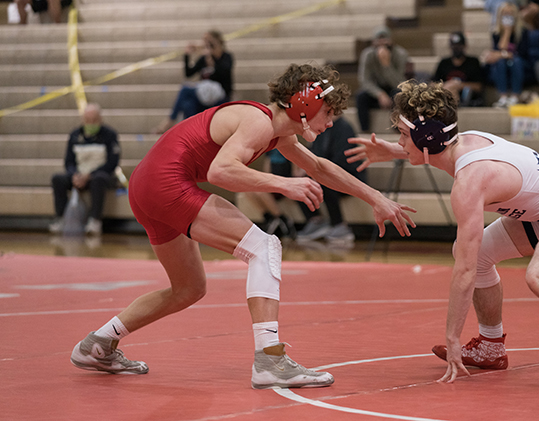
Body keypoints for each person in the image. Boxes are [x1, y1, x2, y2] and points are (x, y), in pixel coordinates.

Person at [69, 64, 416, 389]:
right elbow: (222, 171)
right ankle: (268, 359)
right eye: (329, 112)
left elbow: (320, 168)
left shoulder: (278, 132)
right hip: (166, 183)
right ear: (304, 103)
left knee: (188, 289)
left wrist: (376, 198)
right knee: (265, 247)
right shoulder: (259, 121)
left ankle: (98, 343)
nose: (331, 122)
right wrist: (283, 184)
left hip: (147, 185)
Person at [346, 80, 539, 394]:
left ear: (426, 138)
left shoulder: (471, 181)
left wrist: (453, 337)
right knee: (471, 250)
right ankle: (491, 346)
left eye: (403, 136)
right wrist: (393, 150)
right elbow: (432, 148)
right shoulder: (462, 141)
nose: (400, 142)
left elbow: (465, 272)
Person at [294, 115, 367, 245]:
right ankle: (315, 220)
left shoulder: (344, 127)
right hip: (326, 171)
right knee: (297, 182)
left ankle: (339, 225)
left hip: (349, 173)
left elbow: (342, 159)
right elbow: (313, 152)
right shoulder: (322, 128)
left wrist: (317, 171)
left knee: (326, 180)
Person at [50, 104, 120, 237]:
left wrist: (90, 175)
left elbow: (113, 162)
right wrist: (74, 175)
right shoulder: (75, 135)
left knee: (99, 179)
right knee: (57, 178)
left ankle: (95, 220)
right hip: (78, 174)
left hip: (100, 176)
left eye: (94, 120)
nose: (91, 123)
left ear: (100, 119)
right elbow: (68, 162)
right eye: (88, 120)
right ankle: (60, 218)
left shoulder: (110, 135)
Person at [154, 30, 234, 134]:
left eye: (209, 42)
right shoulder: (204, 58)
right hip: (204, 97)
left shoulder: (226, 57)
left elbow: (225, 73)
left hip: (219, 98)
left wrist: (213, 62)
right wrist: (187, 55)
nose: (206, 44)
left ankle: (170, 121)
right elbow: (189, 73)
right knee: (188, 104)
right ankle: (191, 134)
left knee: (185, 90)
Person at [355, 26, 410, 133]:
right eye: (379, 43)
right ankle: (364, 130)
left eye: (385, 43)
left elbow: (401, 83)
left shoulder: (401, 54)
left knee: (399, 95)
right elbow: (364, 80)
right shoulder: (367, 55)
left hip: (394, 87)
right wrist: (379, 94)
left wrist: (386, 65)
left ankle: (397, 128)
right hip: (377, 88)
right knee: (361, 96)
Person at [243, 149, 296, 239]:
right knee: (247, 189)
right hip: (274, 182)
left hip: (285, 181)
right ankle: (269, 218)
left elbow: (296, 166)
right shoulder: (271, 149)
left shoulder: (290, 147)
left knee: (260, 191)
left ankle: (283, 219)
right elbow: (267, 168)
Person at [483, 2, 524, 107]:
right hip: (503, 62)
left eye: (510, 14)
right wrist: (506, 32)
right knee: (500, 62)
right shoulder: (496, 33)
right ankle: (503, 97)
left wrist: (503, 54)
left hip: (518, 61)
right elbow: (500, 49)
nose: (507, 17)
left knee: (516, 61)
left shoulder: (522, 32)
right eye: (505, 14)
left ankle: (515, 96)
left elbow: (521, 53)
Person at [432, 31, 486, 107]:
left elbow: (479, 86)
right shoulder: (444, 63)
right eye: (454, 46)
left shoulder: (473, 62)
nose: (456, 48)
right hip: (446, 93)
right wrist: (448, 85)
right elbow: (432, 83)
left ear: (464, 46)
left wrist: (458, 85)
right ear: (450, 47)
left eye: (459, 46)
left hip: (466, 97)